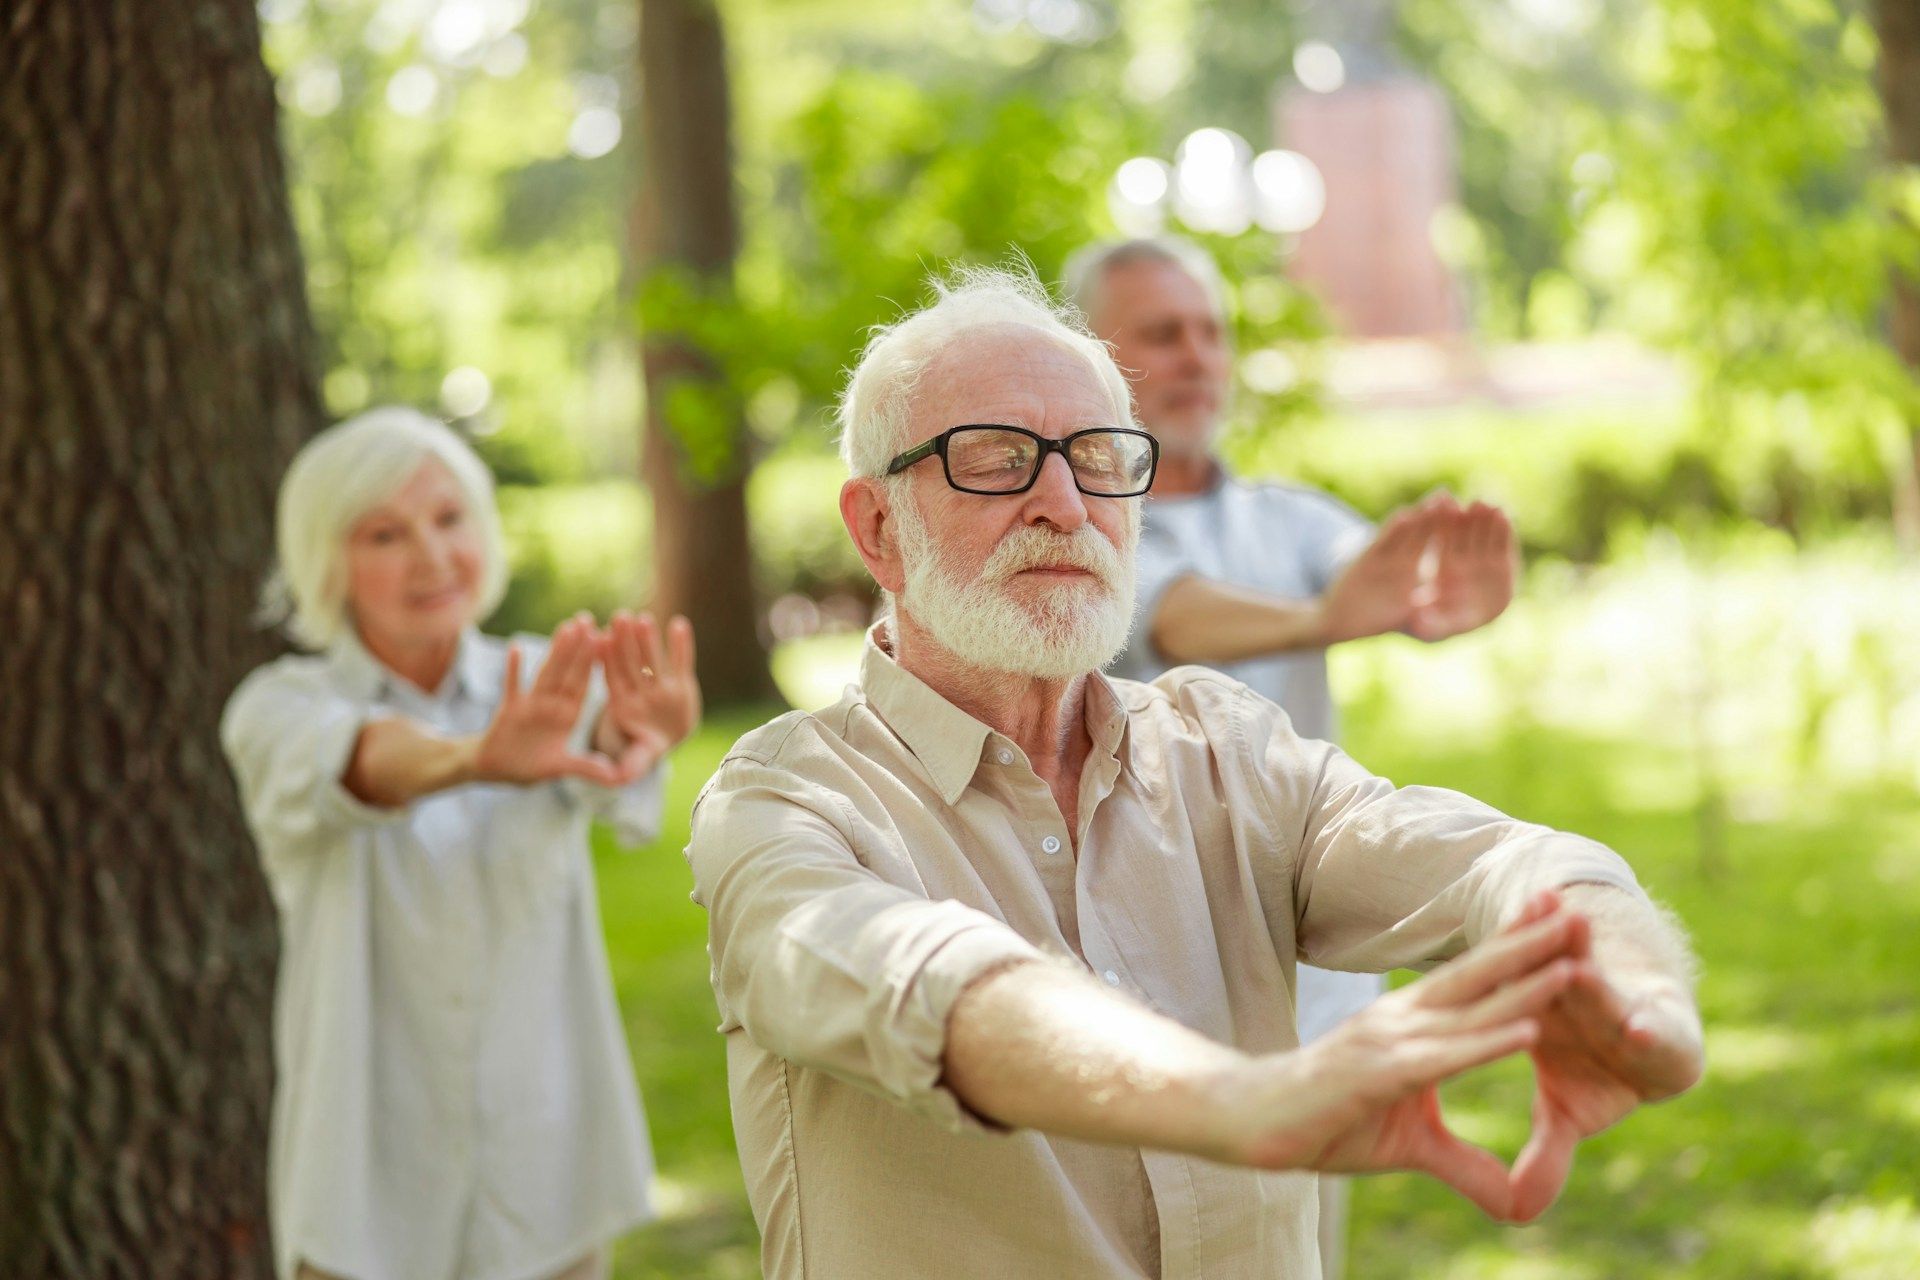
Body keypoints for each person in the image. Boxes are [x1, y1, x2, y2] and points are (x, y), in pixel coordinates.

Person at [683, 267, 1701, 1280]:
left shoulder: (1226, 749)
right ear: (876, 528)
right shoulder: (783, 798)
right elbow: (924, 983)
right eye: (994, 459)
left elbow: (1500, 862)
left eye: (1097, 458)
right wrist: (1238, 1100)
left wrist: (1630, 983)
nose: (1063, 501)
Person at [1066, 235, 1522, 1276]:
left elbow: (1369, 572)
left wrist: (1427, 593)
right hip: (1131, 976)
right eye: (1163, 332)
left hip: (1301, 980)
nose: (1197, 356)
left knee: (1296, 1251)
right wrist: (1321, 615)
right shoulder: (1079, 524)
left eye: (1212, 332)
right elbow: (1172, 617)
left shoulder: (1290, 515)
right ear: (1091, 355)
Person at [221, 407, 702, 1280]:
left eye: (448, 520)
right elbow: (363, 761)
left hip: (548, 1183)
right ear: (328, 559)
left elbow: (616, 775)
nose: (432, 557)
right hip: (367, 1196)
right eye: (384, 534)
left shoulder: (543, 681)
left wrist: (641, 737)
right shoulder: (277, 707)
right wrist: (478, 758)